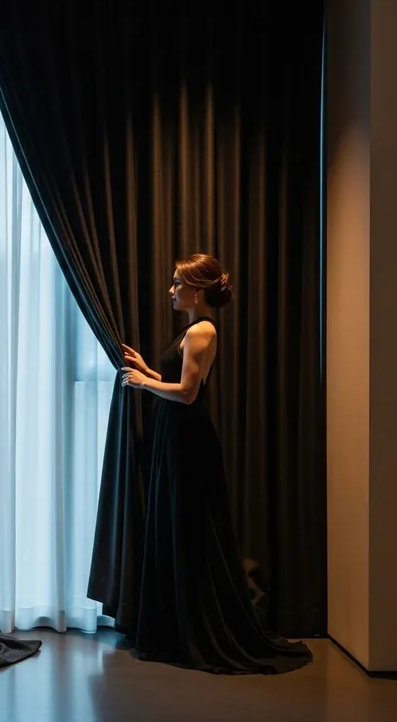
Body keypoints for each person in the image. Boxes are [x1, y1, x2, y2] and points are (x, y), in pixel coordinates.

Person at [119, 253, 312, 675]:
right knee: (180, 523)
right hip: (178, 433)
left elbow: (189, 394)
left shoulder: (202, 329)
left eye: (178, 283)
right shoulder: (192, 329)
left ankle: (197, 630)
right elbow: (180, 385)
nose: (171, 290)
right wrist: (148, 369)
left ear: (197, 289)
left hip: (187, 437)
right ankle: (182, 626)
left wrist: (144, 382)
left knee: (189, 526)